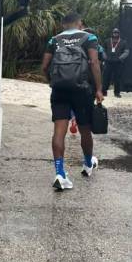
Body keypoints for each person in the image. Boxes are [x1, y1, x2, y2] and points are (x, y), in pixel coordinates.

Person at [42, 12, 104, 191]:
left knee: (59, 131)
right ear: (80, 23)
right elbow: (94, 62)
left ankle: (60, 174)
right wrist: (99, 89)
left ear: (63, 25)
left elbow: (45, 66)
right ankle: (87, 164)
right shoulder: (88, 37)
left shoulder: (54, 40)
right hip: (82, 90)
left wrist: (52, 82)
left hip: (59, 90)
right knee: (85, 130)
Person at [103, 28, 130, 98]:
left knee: (117, 78)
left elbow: (126, 51)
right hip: (108, 62)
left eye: (116, 33)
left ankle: (117, 93)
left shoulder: (123, 42)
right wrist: (105, 57)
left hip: (118, 63)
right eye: (114, 33)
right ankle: (104, 91)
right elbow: (103, 50)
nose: (115, 34)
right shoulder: (107, 41)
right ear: (112, 33)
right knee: (106, 77)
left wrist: (120, 58)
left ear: (119, 33)